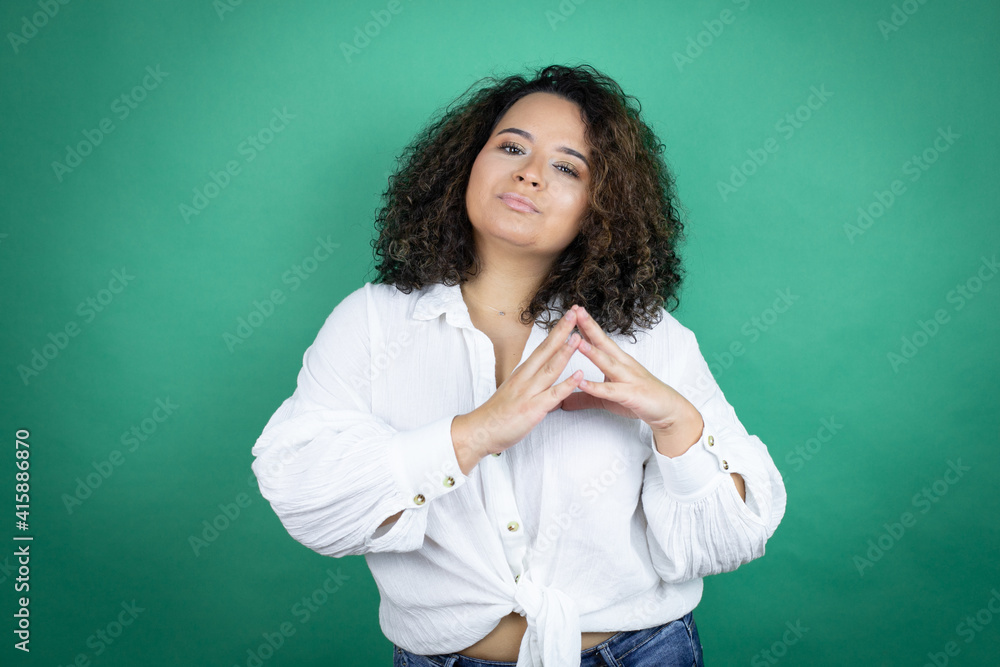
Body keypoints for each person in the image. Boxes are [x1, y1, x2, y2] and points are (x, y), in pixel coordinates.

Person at [251, 63, 786, 667]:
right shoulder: (372, 322)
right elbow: (303, 494)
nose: (530, 174)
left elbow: (730, 540)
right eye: (511, 147)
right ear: (466, 165)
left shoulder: (646, 335)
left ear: (599, 205)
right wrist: (472, 434)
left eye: (567, 167)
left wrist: (676, 423)